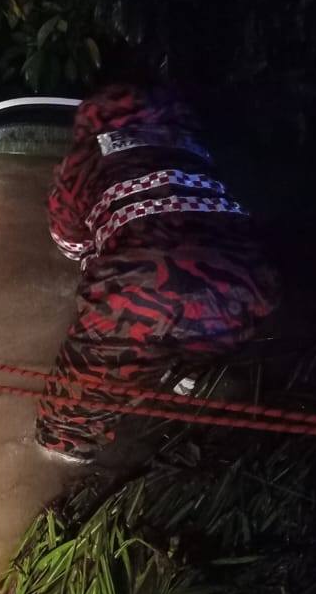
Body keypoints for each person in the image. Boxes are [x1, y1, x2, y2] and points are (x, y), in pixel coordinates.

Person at [35, 82, 280, 468]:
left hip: (140, 289)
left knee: (70, 418)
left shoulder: (86, 155)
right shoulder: (195, 144)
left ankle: (63, 462)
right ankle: (187, 379)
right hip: (247, 284)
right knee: (199, 341)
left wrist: (96, 261)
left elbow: (68, 239)